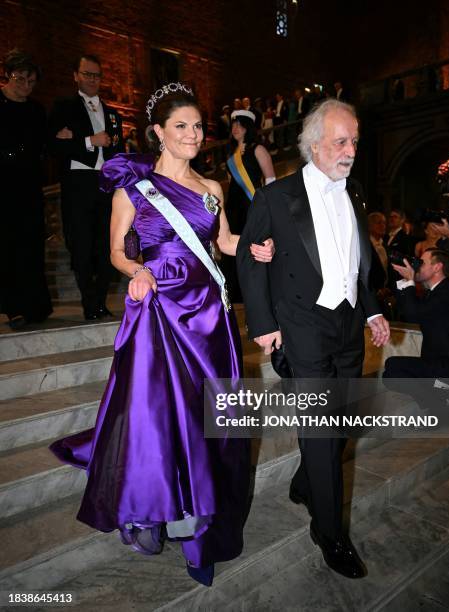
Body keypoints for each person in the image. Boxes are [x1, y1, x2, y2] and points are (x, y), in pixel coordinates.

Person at [49, 83, 274, 587]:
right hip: (160, 314)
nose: (193, 134)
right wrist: (137, 272)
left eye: (197, 126)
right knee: (164, 419)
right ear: (158, 132)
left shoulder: (214, 189)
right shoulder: (134, 187)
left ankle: (201, 519)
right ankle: (174, 519)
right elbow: (116, 252)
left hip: (210, 319)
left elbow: (225, 242)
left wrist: (254, 248)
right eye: (181, 126)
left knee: (207, 418)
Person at [237, 99, 390, 579]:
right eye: (341, 141)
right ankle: (330, 533)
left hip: (347, 327)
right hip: (302, 327)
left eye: (355, 142)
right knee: (323, 429)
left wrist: (374, 309)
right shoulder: (275, 197)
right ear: (314, 144)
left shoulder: (356, 193)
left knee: (341, 422)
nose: (350, 150)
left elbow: (357, 265)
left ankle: (307, 479)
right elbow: (248, 256)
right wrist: (262, 321)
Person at [48, 54, 124, 320]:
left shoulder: (113, 113)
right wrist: (90, 140)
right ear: (76, 75)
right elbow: (55, 146)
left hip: (107, 185)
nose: (92, 79)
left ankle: (101, 301)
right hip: (78, 185)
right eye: (87, 74)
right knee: (80, 246)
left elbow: (119, 152)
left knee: (108, 245)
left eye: (96, 75)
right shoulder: (63, 108)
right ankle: (89, 303)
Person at [0, 49, 52, 329]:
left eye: (31, 82)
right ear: (8, 75)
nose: (26, 86)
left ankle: (36, 304)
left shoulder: (35, 109)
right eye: (21, 79)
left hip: (30, 185)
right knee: (8, 246)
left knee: (32, 243)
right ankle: (13, 308)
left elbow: (42, 144)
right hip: (3, 186)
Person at [383, 248, 449, 407]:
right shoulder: (434, 293)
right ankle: (441, 401)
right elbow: (405, 310)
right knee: (391, 369)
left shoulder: (448, 292)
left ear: (437, 267)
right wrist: (403, 279)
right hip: (436, 365)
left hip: (447, 369)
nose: (418, 266)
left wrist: (410, 281)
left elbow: (413, 314)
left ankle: (442, 404)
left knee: (394, 371)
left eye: (422, 263)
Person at [223, 109, 276, 302]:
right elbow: (231, 183)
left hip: (254, 206)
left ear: (248, 127)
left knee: (255, 248)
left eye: (239, 124)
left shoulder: (258, 149)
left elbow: (271, 180)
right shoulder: (230, 155)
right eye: (233, 125)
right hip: (233, 209)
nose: (235, 128)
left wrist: (271, 209)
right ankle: (236, 295)